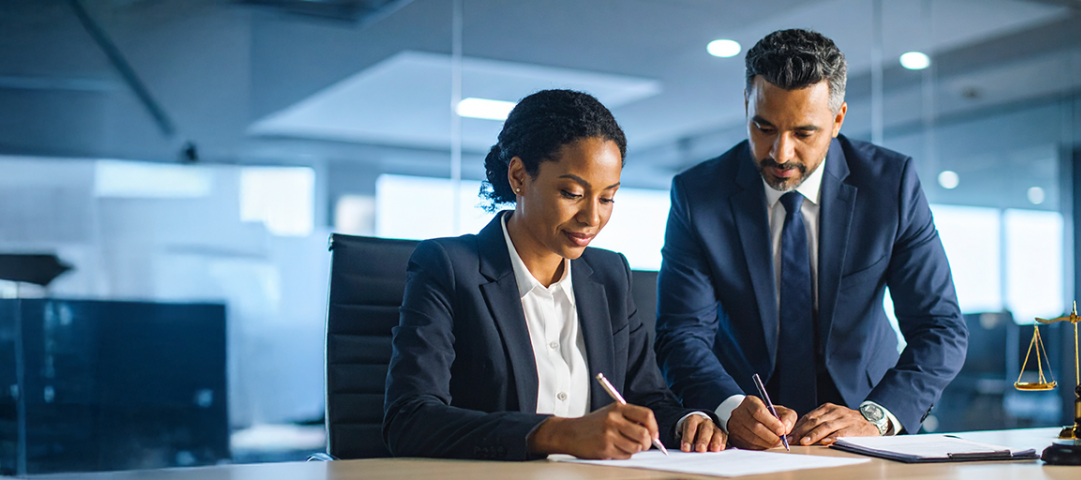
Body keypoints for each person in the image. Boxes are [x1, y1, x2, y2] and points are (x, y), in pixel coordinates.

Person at [655, 29, 968, 449]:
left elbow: (939, 328)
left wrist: (875, 416)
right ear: (746, 105)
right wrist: (727, 406)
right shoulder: (698, 195)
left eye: (804, 133)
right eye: (763, 127)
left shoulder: (891, 186)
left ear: (837, 119)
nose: (780, 153)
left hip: (863, 421)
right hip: (743, 434)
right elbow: (681, 333)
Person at [385, 89, 726, 460]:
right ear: (519, 176)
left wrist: (686, 422)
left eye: (607, 197)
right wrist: (556, 433)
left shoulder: (610, 275)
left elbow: (646, 398)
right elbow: (410, 420)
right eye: (572, 192)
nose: (592, 218)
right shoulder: (448, 267)